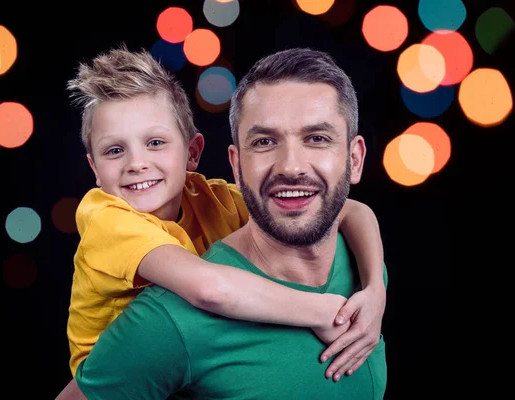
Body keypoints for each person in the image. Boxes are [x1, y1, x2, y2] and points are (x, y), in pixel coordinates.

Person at [64, 45, 387, 386]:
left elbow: (351, 209)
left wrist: (375, 290)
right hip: (120, 375)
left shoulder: (209, 197)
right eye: (115, 150)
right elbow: (210, 289)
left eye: (155, 143)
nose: (136, 164)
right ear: (95, 169)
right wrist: (325, 312)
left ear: (193, 153)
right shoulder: (106, 218)